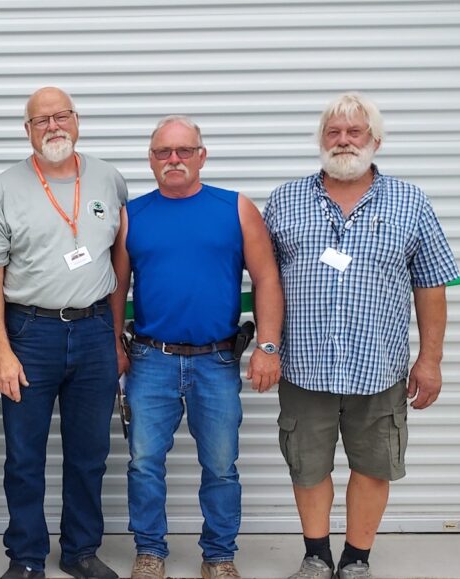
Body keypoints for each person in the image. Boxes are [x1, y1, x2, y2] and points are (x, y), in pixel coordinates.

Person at [263, 92, 458, 579]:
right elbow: (263, 278)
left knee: (373, 466)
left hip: (381, 368)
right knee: (307, 466)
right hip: (305, 368)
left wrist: (430, 360)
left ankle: (355, 560)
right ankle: (315, 556)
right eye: (334, 132)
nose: (344, 140)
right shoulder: (286, 200)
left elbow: (431, 284)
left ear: (376, 140)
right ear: (321, 141)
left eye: (356, 132)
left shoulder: (410, 201)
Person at [114, 116, 283, 579]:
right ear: (151, 160)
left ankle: (219, 555)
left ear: (201, 156)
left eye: (184, 151)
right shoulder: (134, 214)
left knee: (221, 466)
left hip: (218, 360)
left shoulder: (236, 209)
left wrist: (267, 346)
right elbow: (117, 287)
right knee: (144, 463)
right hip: (151, 360)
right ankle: (150, 552)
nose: (173, 160)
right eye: (163, 152)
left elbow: (267, 278)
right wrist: (114, 344)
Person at [0, 87, 127, 579]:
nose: (53, 126)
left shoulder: (108, 179)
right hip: (29, 333)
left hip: (95, 329)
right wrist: (0, 348)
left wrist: (116, 336)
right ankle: (28, 557)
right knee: (24, 455)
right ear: (28, 130)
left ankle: (80, 550)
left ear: (77, 120)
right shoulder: (5, 187)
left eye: (62, 116)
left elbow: (120, 256)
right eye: (42, 120)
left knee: (90, 453)